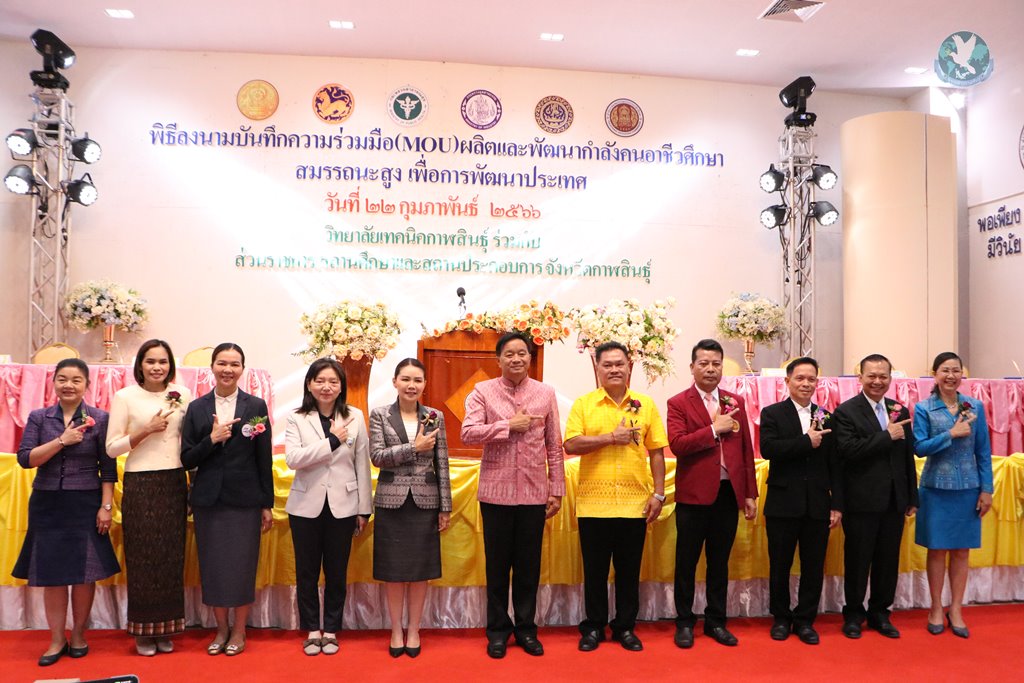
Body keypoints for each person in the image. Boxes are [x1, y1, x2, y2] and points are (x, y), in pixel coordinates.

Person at [461, 332, 565, 659]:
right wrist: (507, 425)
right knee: (497, 568)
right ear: (498, 360)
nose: (516, 358)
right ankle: (497, 631)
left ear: (530, 358)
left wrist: (557, 489)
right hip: (496, 494)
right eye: (509, 354)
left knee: (528, 568)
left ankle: (526, 630)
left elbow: (554, 446)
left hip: (534, 494)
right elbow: (468, 433)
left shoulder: (545, 393)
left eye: (522, 353)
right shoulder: (482, 391)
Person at [12, 358, 120, 667]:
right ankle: (57, 638)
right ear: (54, 383)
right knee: (53, 576)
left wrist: (106, 506)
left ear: (87, 385)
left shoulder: (100, 418)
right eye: (62, 379)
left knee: (85, 574)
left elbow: (108, 469)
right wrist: (62, 440)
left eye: (76, 380)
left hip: (86, 503)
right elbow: (26, 459)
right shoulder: (39, 417)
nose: (68, 385)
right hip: (47, 503)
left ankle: (79, 635)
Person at [563, 341, 668, 652]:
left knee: (628, 572)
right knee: (595, 573)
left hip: (635, 505)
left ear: (629, 367)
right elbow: (570, 444)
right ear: (597, 368)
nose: (614, 369)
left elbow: (657, 452)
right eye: (607, 365)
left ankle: (624, 627)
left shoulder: (645, 404)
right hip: (593, 505)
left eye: (619, 364)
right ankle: (594, 627)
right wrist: (610, 438)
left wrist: (659, 494)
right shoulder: (584, 404)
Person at [180, 343, 273, 657]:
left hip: (245, 500)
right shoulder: (197, 408)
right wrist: (212, 439)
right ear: (212, 367)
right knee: (214, 567)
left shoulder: (255, 405)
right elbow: (186, 457)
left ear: (242, 369)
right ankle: (220, 630)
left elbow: (263, 458)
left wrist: (266, 503)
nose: (228, 370)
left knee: (242, 567)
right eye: (222, 363)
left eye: (234, 364)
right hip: (209, 501)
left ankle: (239, 629)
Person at [665, 338, 757, 648]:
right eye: (703, 363)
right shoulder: (678, 403)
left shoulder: (734, 401)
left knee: (719, 562)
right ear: (692, 367)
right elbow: (678, 444)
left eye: (716, 363)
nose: (710, 369)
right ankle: (684, 622)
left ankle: (716, 621)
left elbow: (746, 450)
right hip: (693, 496)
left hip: (728, 494)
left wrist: (749, 493)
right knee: (687, 562)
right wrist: (713, 430)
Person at [106, 339, 192, 656]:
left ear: (171, 365)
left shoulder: (182, 395)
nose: (157, 367)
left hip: (174, 480)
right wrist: (146, 430)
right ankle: (143, 632)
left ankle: (167, 629)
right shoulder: (125, 397)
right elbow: (111, 448)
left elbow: (188, 440)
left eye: (163, 361)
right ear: (140, 365)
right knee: (142, 557)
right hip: (141, 482)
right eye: (150, 361)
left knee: (171, 557)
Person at [284, 357, 372, 656]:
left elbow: (361, 462)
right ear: (309, 384)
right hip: (305, 505)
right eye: (320, 381)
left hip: (343, 505)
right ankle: (312, 630)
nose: (326, 387)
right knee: (307, 572)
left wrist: (363, 509)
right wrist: (332, 441)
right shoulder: (297, 418)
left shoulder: (355, 416)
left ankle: (331, 629)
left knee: (336, 572)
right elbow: (293, 459)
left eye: (333, 381)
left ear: (341, 386)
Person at [368, 358, 452, 658]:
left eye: (417, 380)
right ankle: (395, 630)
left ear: (425, 384)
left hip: (425, 502)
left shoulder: (434, 416)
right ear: (395, 382)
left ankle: (414, 629)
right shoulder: (380, 415)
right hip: (391, 502)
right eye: (405, 379)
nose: (411, 385)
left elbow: (442, 463)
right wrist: (413, 448)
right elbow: (377, 456)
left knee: (419, 572)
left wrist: (445, 507)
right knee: (393, 572)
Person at [832, 353, 918, 639]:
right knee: (858, 561)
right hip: (861, 501)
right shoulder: (846, 411)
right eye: (872, 376)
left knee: (887, 561)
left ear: (891, 378)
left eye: (883, 376)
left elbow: (906, 457)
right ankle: (853, 614)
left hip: (894, 500)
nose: (877, 381)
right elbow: (847, 451)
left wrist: (911, 496)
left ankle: (881, 613)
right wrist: (885, 436)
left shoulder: (899, 410)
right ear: (860, 378)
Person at [759, 357, 843, 645]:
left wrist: (836, 504)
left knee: (813, 566)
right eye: (800, 378)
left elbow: (835, 464)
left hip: (817, 503)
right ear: (787, 381)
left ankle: (806, 619)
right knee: (779, 565)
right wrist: (806, 442)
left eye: (811, 379)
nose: (806, 384)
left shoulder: (826, 417)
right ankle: (781, 618)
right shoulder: (772, 413)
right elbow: (768, 449)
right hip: (783, 502)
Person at [913, 352, 993, 638]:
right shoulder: (924, 408)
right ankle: (935, 607)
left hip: (968, 488)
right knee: (936, 550)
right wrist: (951, 433)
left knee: (961, 551)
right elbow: (919, 448)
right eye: (945, 370)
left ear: (962, 374)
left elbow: (983, 451)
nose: (950, 376)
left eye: (956, 370)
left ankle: (956, 609)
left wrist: (987, 489)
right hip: (935, 488)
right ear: (934, 374)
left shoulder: (974, 407)